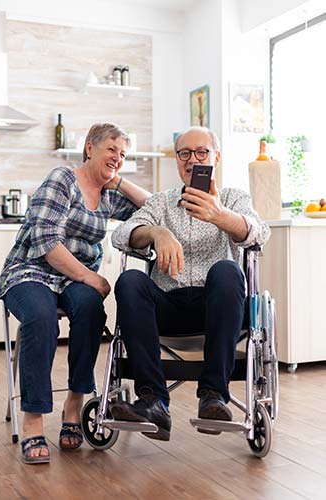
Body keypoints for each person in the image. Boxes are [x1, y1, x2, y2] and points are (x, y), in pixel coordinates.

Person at [0, 122, 151, 464]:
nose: (117, 157)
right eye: (111, 149)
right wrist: (90, 278)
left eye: (122, 154)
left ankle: (74, 405)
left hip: (72, 281)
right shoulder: (62, 179)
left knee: (92, 311)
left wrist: (118, 179)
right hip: (31, 270)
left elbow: (152, 207)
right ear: (89, 147)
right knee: (40, 317)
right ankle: (33, 419)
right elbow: (47, 242)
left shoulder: (108, 194)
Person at [110, 126, 270, 441]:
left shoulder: (234, 198)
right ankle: (153, 400)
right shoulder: (161, 203)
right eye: (185, 153)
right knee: (130, 280)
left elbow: (260, 233)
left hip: (219, 308)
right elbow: (120, 235)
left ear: (217, 157)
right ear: (177, 160)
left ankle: (213, 396)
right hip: (168, 306)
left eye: (202, 152)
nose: (193, 160)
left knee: (226, 269)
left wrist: (220, 216)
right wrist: (156, 232)